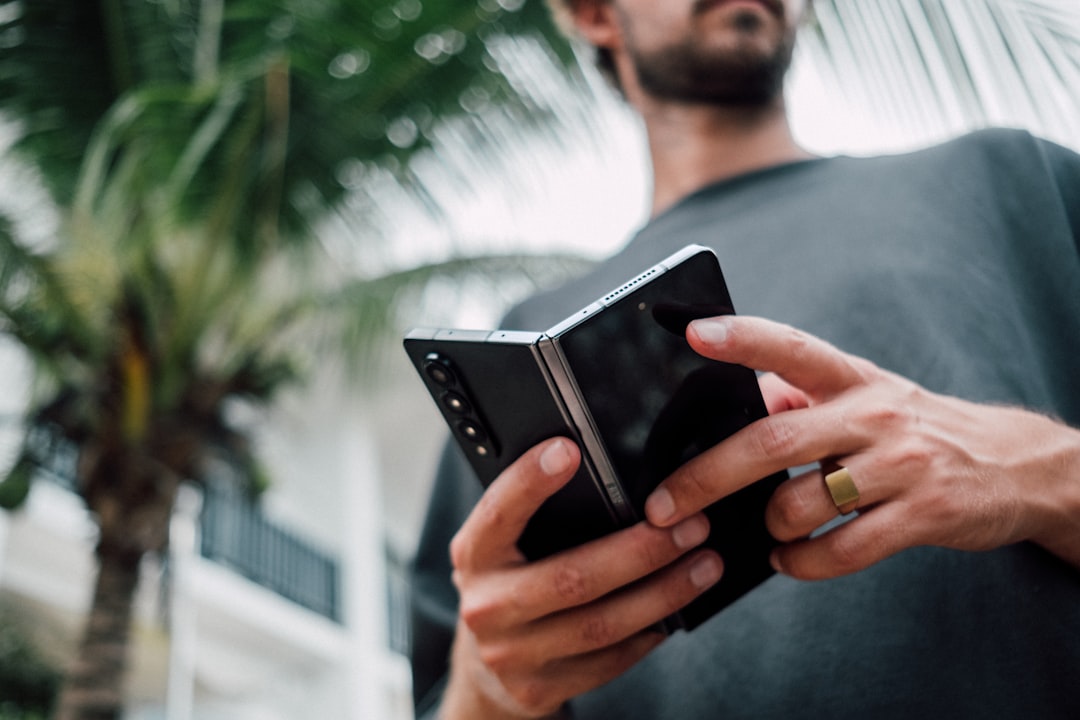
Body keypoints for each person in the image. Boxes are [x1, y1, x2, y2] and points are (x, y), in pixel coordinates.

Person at [409, 1, 1080, 718]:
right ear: (596, 13)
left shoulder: (1011, 179)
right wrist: (486, 691)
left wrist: (1039, 471)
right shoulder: (522, 347)